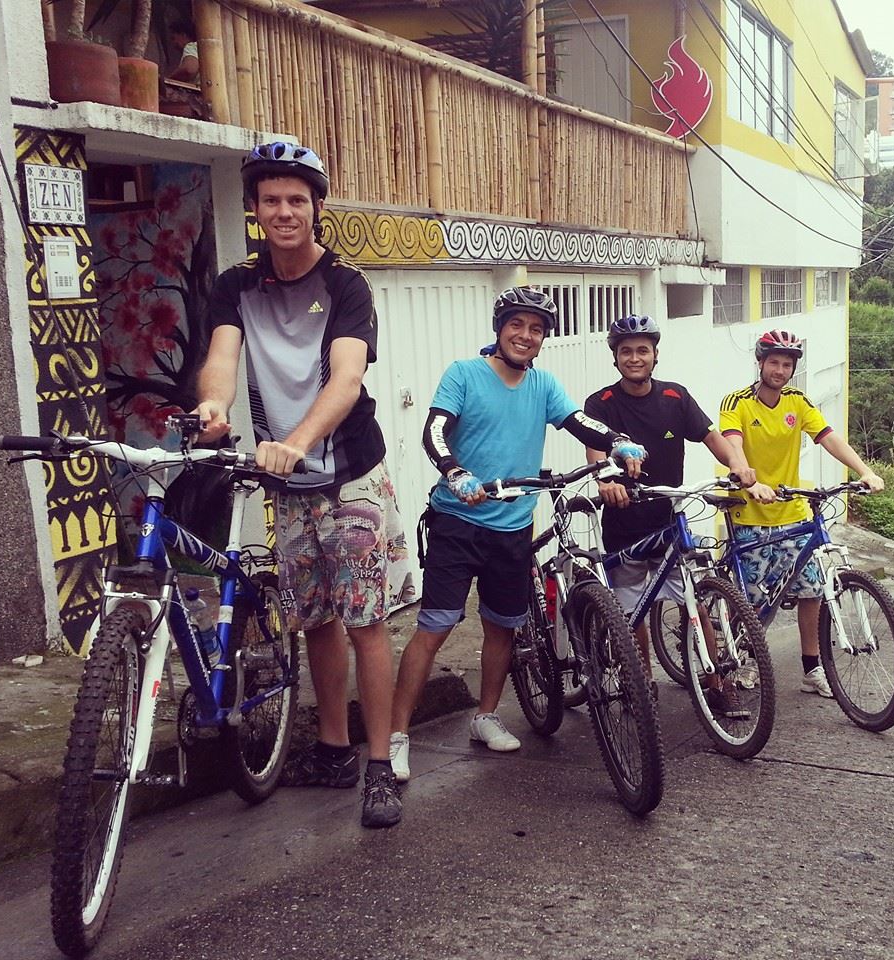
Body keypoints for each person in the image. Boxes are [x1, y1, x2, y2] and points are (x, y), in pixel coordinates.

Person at [195, 142, 414, 829]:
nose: (284, 211)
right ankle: (332, 750)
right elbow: (222, 357)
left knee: (364, 621)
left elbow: (346, 379)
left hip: (348, 474)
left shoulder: (346, 284)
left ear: (317, 207)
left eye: (297, 199)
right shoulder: (236, 284)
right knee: (314, 619)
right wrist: (214, 406)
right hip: (285, 482)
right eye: (271, 200)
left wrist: (296, 441)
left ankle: (380, 766)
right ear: (254, 209)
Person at [388, 286, 645, 783]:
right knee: (436, 625)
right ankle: (396, 736)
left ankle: (485, 716)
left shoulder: (542, 384)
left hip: (512, 527)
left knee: (502, 625)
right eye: (517, 325)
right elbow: (435, 430)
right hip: (458, 522)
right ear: (500, 328)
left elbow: (579, 422)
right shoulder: (464, 374)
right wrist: (454, 471)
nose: (526, 335)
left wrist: (617, 440)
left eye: (537, 329)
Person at [583, 315, 758, 717]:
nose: (634, 358)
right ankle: (642, 685)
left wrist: (738, 465)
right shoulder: (600, 403)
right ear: (615, 358)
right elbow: (596, 452)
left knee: (694, 602)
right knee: (632, 612)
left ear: (655, 355)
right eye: (626, 351)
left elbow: (713, 438)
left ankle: (718, 683)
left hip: (668, 519)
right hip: (624, 521)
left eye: (642, 350)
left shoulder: (675, 397)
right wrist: (605, 480)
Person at [719, 329, 885, 698]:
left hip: (791, 510)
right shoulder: (738, 401)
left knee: (811, 590)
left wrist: (864, 471)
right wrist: (749, 481)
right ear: (760, 363)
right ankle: (745, 658)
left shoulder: (797, 401)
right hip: (750, 512)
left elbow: (829, 438)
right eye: (773, 362)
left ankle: (812, 668)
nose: (779, 370)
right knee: (753, 601)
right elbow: (733, 445)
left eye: (786, 365)